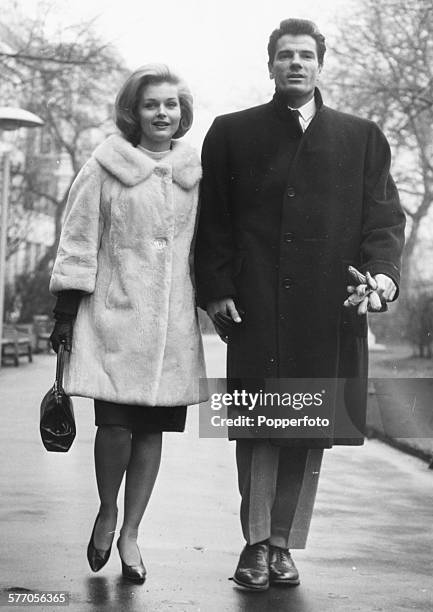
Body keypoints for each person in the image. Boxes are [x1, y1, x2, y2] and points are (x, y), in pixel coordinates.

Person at [195, 18, 405, 591]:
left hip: (327, 308)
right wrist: (215, 289)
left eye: (305, 55)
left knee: (307, 427)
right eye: (284, 55)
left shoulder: (361, 136)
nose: (295, 63)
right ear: (270, 66)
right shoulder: (231, 132)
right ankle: (254, 544)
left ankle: (284, 545)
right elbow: (211, 220)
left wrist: (381, 280)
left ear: (320, 65)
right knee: (260, 426)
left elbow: (384, 220)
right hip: (255, 304)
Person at [49, 64, 206, 583]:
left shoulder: (195, 172)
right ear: (133, 112)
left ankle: (132, 532)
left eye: (171, 105)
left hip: (171, 325)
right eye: (151, 105)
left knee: (152, 431)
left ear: (181, 113)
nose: (162, 113)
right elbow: (77, 239)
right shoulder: (105, 166)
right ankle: (106, 509)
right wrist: (66, 312)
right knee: (114, 426)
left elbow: (208, 247)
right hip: (113, 317)